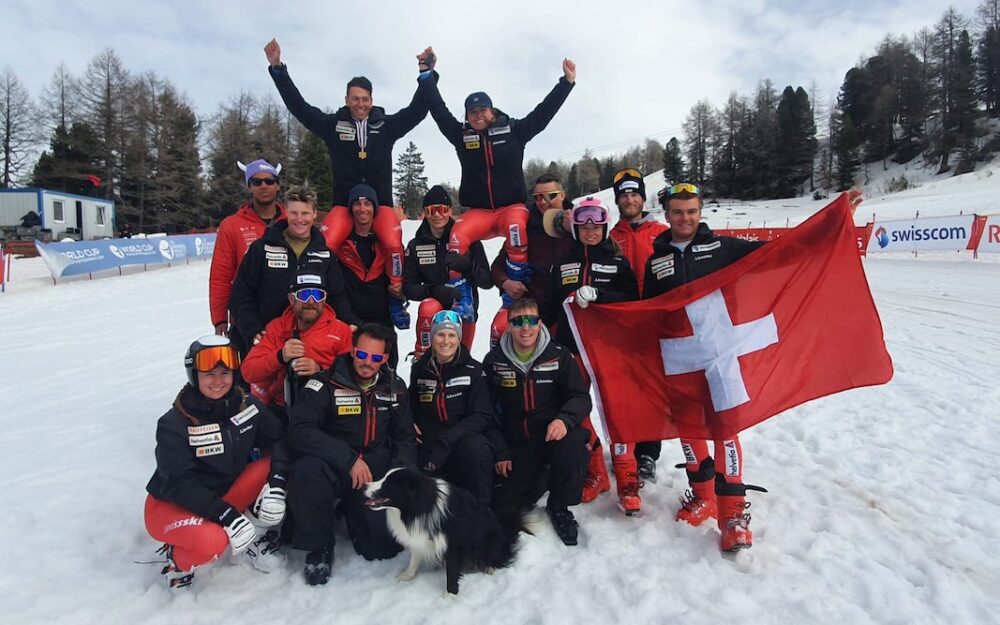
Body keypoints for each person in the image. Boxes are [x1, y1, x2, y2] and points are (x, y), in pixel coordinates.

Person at [642, 182, 767, 552]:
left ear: (700, 213)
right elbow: (647, 309)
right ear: (667, 216)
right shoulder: (656, 260)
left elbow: (777, 253)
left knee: (724, 428)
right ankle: (704, 495)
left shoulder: (723, 247)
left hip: (719, 355)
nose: (685, 218)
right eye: (678, 212)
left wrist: (833, 223)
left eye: (692, 211)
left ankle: (731, 513)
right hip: (679, 358)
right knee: (688, 427)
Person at [416, 46, 576, 320]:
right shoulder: (461, 136)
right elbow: (438, 110)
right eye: (472, 112)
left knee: (516, 227)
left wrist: (566, 84)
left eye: (482, 110)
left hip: (509, 208)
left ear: (492, 111)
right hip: (479, 212)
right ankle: (461, 296)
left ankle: (513, 292)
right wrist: (427, 74)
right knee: (457, 236)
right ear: (467, 116)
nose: (478, 115)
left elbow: (542, 115)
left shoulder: (513, 131)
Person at [265, 38, 431, 293]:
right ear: (346, 99)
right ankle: (318, 293)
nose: (360, 104)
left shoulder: (386, 126)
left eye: (365, 99)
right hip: (344, 204)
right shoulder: (333, 125)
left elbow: (418, 110)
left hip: (381, 205)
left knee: (393, 245)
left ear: (372, 100)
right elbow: (300, 108)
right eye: (355, 99)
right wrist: (278, 69)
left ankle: (396, 292)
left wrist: (425, 72)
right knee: (325, 243)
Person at [144, 335, 289, 589]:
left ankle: (254, 534)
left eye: (224, 372)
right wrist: (227, 516)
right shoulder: (174, 423)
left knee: (278, 467)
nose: (218, 381)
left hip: (224, 495)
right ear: (194, 375)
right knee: (213, 543)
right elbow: (179, 484)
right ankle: (177, 559)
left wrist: (276, 484)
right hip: (172, 504)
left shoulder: (248, 406)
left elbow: (279, 441)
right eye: (208, 374)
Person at [286, 323, 416, 585]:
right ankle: (319, 546)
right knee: (306, 471)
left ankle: (355, 513)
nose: (368, 362)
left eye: (376, 358)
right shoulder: (324, 383)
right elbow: (300, 430)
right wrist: (347, 459)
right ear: (353, 350)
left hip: (373, 473)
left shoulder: (394, 387)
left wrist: (399, 475)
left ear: (385, 359)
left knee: (383, 550)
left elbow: (405, 437)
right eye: (363, 354)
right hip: (334, 466)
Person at [543, 197, 641, 515]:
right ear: (575, 230)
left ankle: (628, 479)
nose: (590, 232)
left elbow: (632, 301)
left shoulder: (618, 263)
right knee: (577, 411)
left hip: (609, 350)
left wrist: (602, 296)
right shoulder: (561, 265)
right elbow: (548, 308)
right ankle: (597, 471)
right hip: (572, 350)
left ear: (604, 226)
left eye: (596, 226)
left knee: (619, 412)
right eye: (584, 227)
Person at [483, 298, 591, 547]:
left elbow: (580, 397)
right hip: (517, 441)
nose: (525, 328)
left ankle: (560, 504)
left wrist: (564, 420)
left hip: (552, 434)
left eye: (531, 320)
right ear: (508, 326)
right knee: (516, 500)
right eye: (518, 322)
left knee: (574, 441)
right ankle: (540, 477)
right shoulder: (495, 361)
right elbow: (485, 411)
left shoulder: (558, 355)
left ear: (540, 322)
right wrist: (500, 451)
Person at [229, 185, 356, 358]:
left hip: (309, 340)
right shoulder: (262, 248)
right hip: (269, 338)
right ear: (286, 212)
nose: (299, 219)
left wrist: (349, 322)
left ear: (314, 214)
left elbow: (337, 295)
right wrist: (252, 328)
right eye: (294, 213)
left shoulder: (325, 253)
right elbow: (241, 294)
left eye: (305, 213)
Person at [409, 310, 507, 506]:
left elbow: (481, 416)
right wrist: (408, 422)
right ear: (433, 337)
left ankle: (481, 511)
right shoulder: (420, 369)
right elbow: (410, 405)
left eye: (452, 335)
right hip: (430, 439)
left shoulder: (474, 370)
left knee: (477, 448)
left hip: (461, 438)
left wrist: (447, 440)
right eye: (440, 334)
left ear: (459, 338)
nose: (446, 341)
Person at [242, 267, 354, 422]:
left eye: (317, 295)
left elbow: (353, 376)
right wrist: (280, 356)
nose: (311, 302)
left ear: (325, 299)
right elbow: (249, 372)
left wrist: (320, 370)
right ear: (291, 299)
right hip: (283, 408)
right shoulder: (277, 328)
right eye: (304, 295)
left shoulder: (341, 331)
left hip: (327, 410)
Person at [403, 185, 492, 360]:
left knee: (461, 362)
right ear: (425, 213)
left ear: (449, 211)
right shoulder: (416, 245)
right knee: (429, 307)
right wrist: (433, 290)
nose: (437, 214)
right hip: (434, 313)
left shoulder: (469, 239)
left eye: (442, 209)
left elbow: (487, 282)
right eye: (431, 210)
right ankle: (423, 362)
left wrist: (468, 265)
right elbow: (408, 287)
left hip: (464, 311)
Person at [209, 159, 286, 346]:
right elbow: (221, 276)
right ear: (249, 187)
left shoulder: (294, 221)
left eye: (269, 181)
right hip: (246, 320)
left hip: (287, 319)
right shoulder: (232, 225)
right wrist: (220, 319)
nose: (264, 186)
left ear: (278, 185)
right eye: (256, 182)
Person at [332, 183, 405, 367]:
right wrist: (349, 319)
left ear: (375, 208)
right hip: (350, 323)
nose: (362, 209)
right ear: (351, 209)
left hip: (382, 324)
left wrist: (401, 293)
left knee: (387, 374)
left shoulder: (388, 244)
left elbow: (405, 280)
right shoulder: (341, 245)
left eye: (368, 204)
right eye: (357, 204)